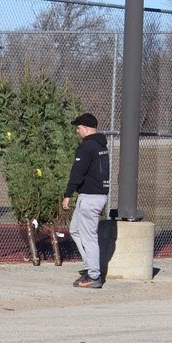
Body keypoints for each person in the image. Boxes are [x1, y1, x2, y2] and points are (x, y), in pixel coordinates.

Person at [63, 113, 110, 289]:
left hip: (90, 198)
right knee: (75, 230)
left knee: (89, 238)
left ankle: (94, 276)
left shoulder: (87, 147)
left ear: (86, 128)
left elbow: (77, 172)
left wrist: (68, 194)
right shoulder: (100, 145)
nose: (77, 130)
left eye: (79, 127)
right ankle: (89, 267)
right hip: (97, 196)